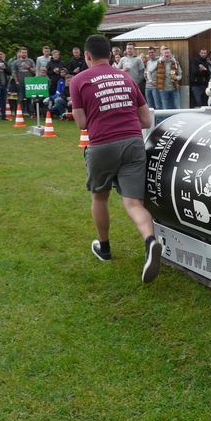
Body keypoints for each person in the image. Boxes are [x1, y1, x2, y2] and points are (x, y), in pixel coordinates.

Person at [69, 34, 162, 282]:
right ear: (110, 54)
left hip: (102, 145)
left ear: (87, 55)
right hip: (133, 143)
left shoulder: (78, 81)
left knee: (100, 197)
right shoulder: (126, 77)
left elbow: (81, 123)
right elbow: (146, 120)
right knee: (133, 203)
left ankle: (105, 248)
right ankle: (150, 241)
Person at [11, 48, 36, 116]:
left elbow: (35, 71)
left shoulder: (30, 61)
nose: (24, 54)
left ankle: (30, 113)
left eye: (25, 52)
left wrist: (28, 67)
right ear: (20, 53)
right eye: (23, 52)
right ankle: (20, 112)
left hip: (29, 82)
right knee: (20, 98)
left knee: (29, 98)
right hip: (20, 82)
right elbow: (14, 72)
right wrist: (16, 81)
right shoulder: (15, 62)